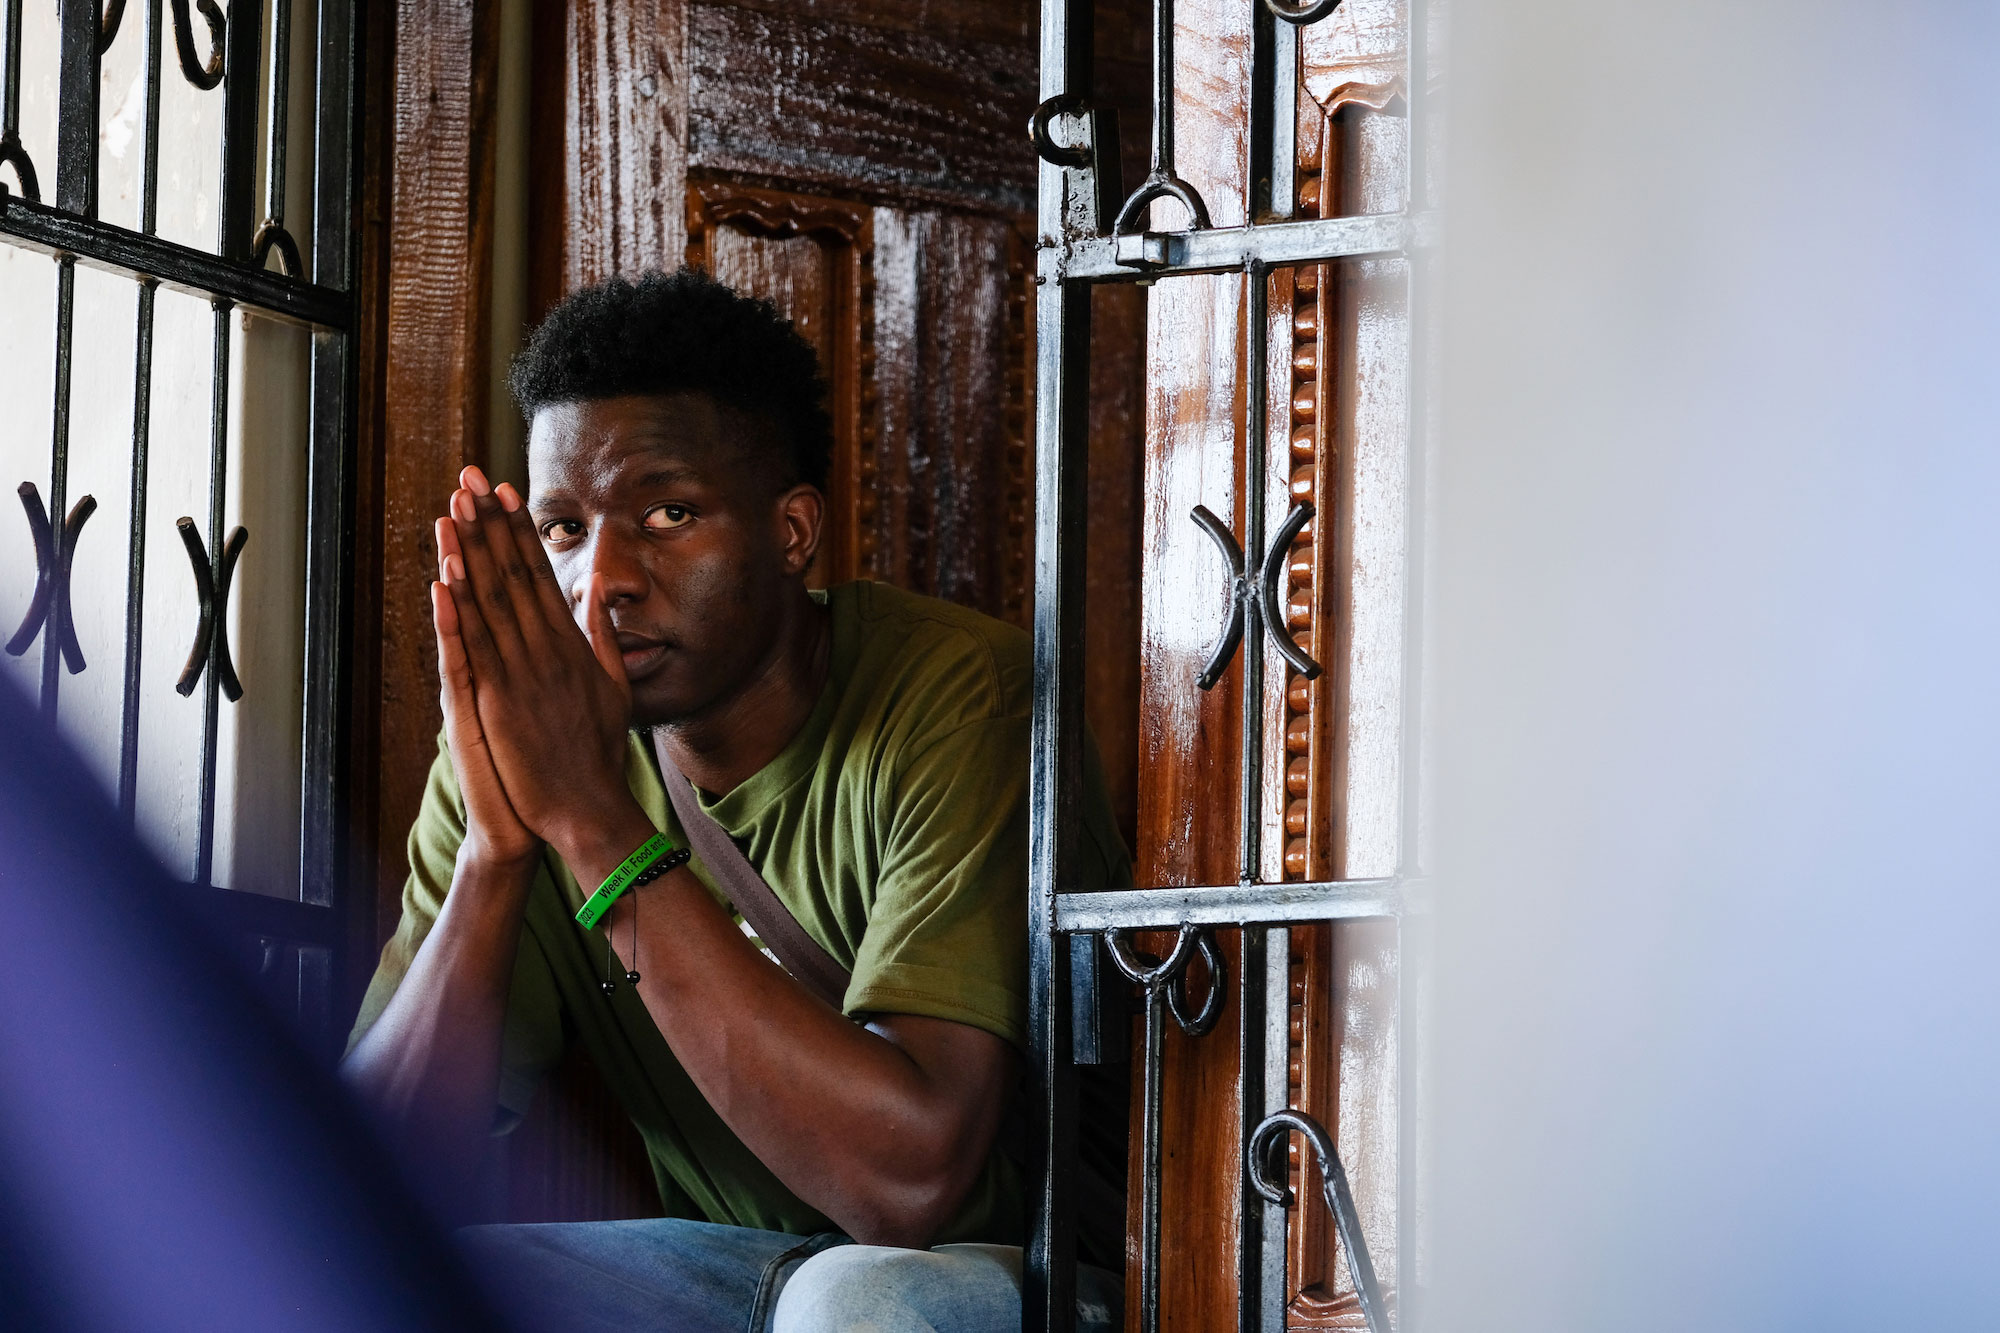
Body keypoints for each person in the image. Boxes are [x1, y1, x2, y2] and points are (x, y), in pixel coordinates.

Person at [340, 269, 1130, 1332]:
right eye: (565, 528)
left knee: (858, 1301)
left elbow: (907, 1185)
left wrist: (592, 823)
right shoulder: (525, 741)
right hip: (737, 1271)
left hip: (1006, 1275)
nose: (602, 579)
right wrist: (492, 853)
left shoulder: (961, 695)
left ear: (791, 533)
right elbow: (361, 1184)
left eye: (667, 514)